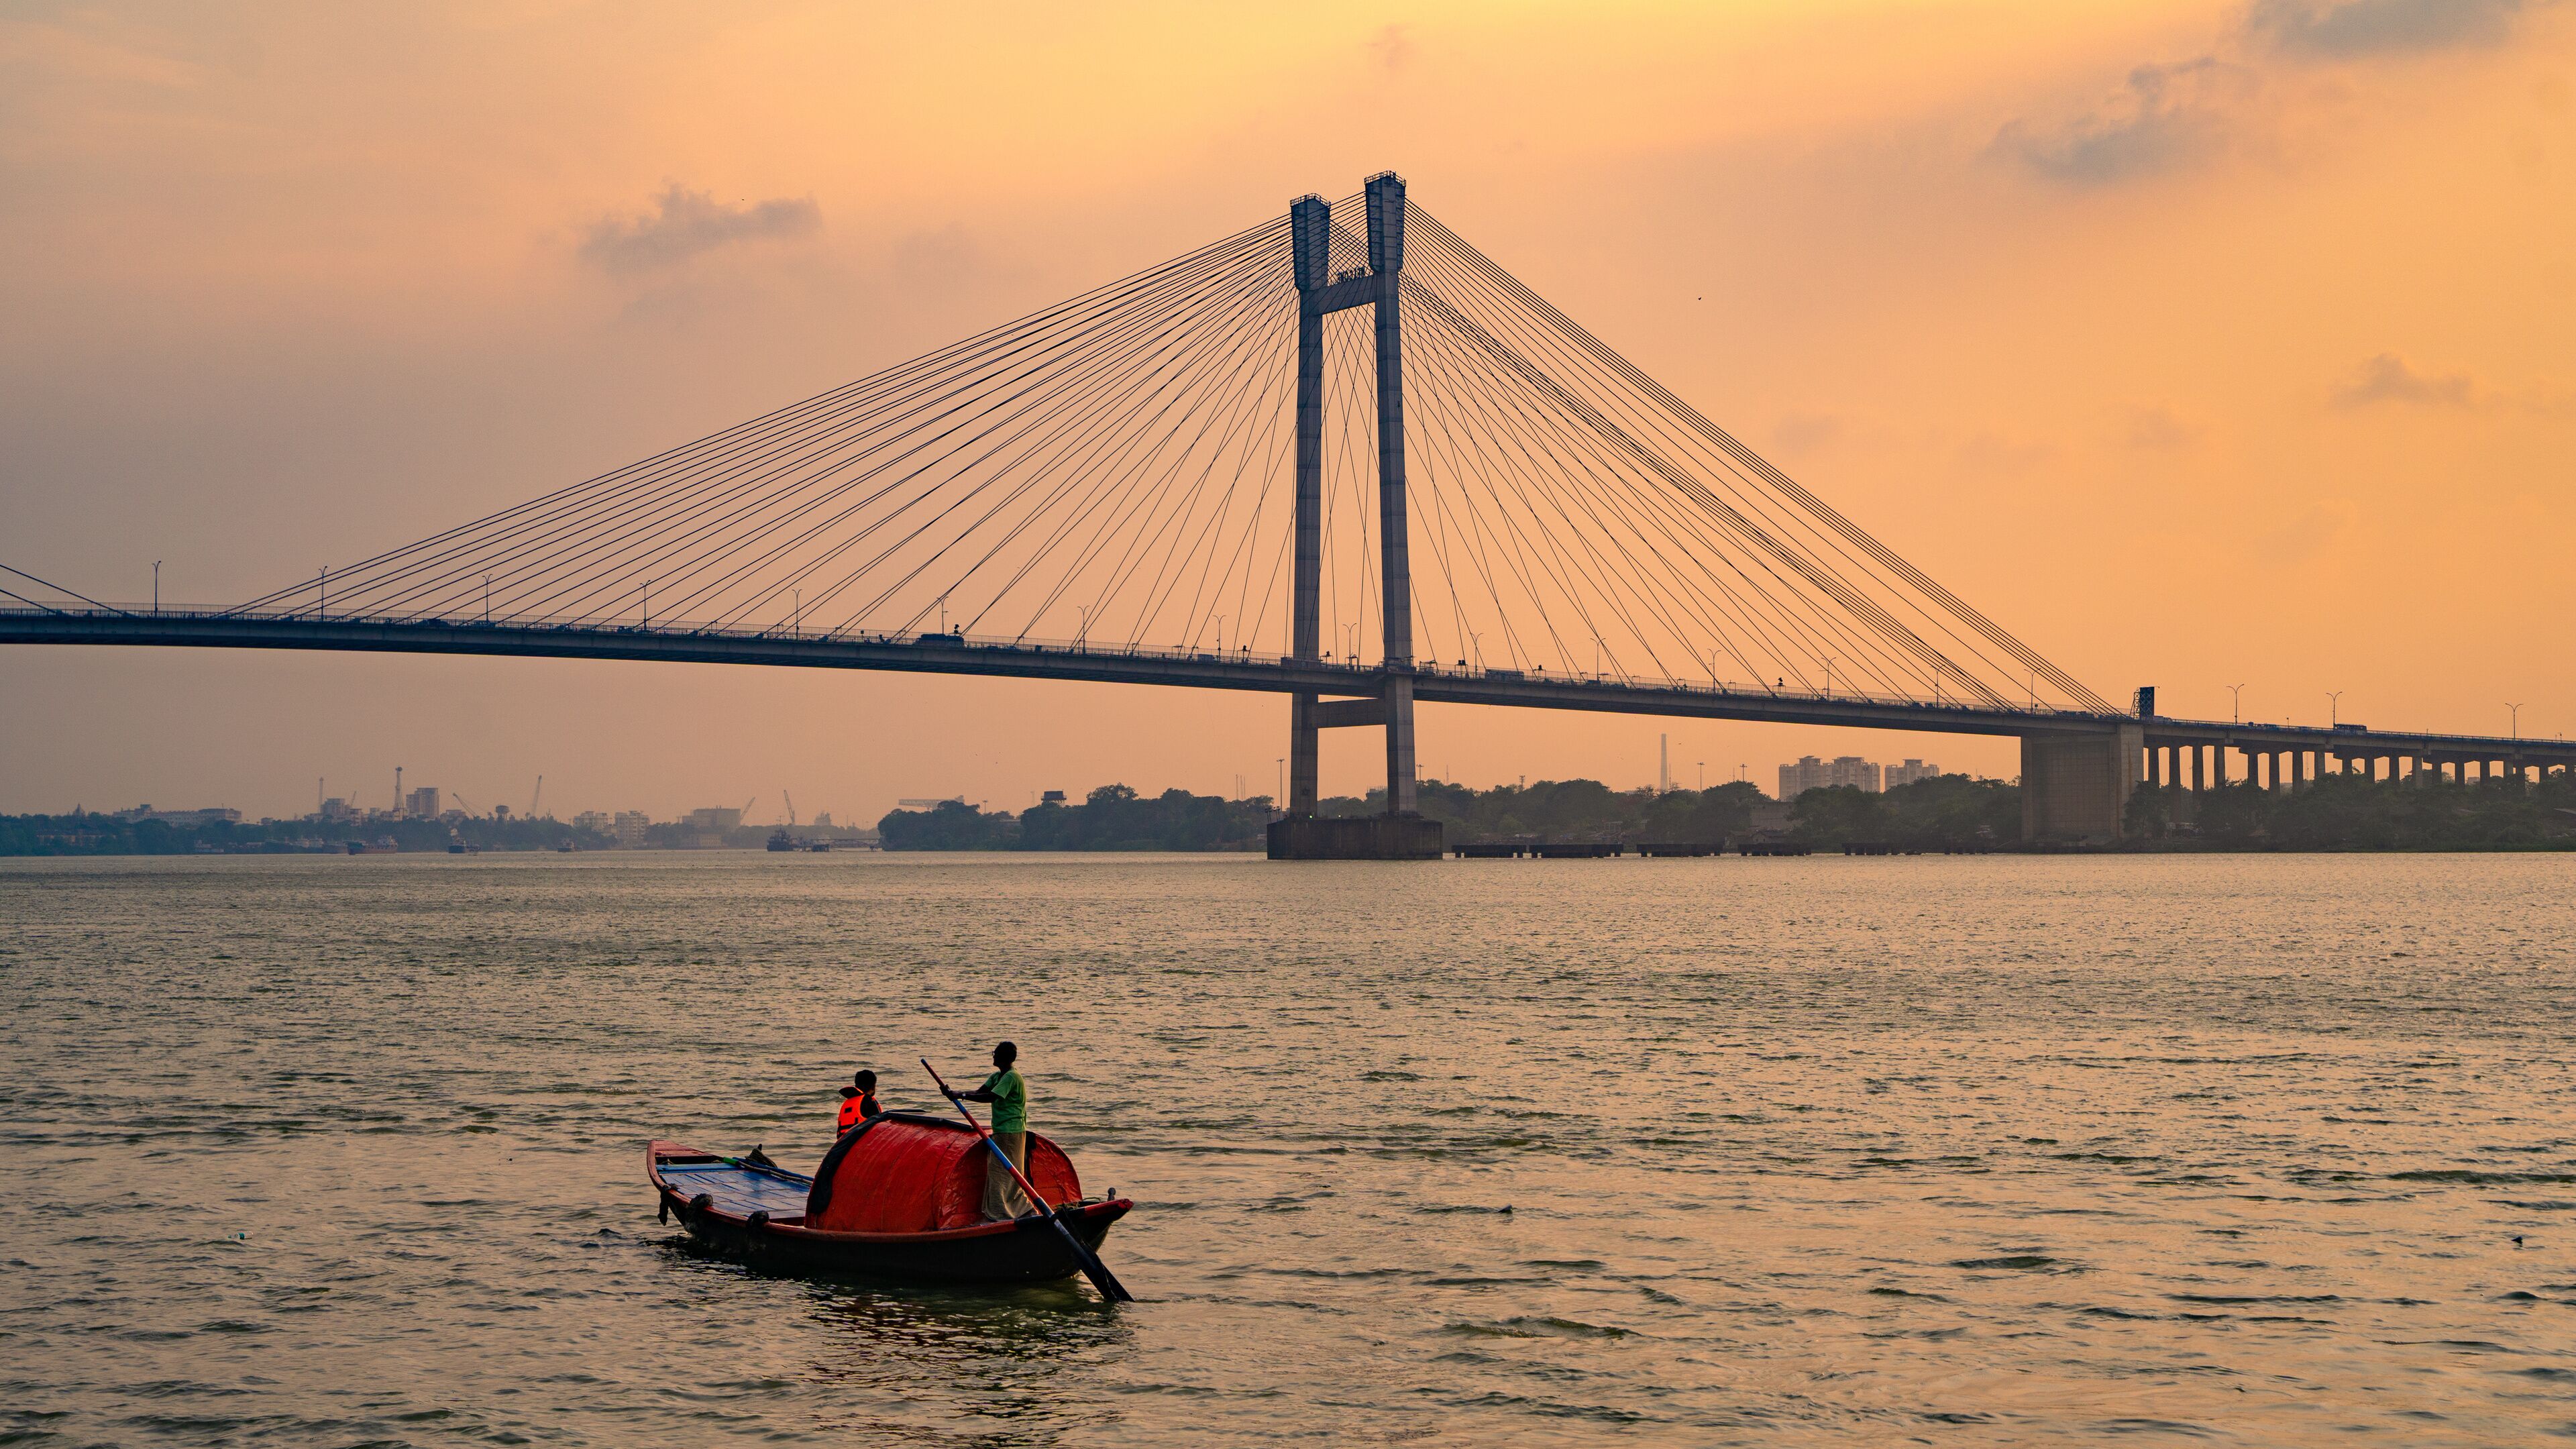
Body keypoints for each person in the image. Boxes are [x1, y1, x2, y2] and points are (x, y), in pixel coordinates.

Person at [945, 1041, 1030, 1220]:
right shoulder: (997, 1077)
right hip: (1001, 1129)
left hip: (1011, 1131)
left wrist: (961, 1095)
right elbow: (980, 1092)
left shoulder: (1011, 1077)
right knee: (997, 1171)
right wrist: (955, 1093)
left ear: (1006, 1058)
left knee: (1003, 1172)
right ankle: (1004, 1211)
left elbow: (991, 1097)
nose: (993, 1056)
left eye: (996, 1053)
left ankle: (1006, 1213)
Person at [835, 1069, 881, 1133]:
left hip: (843, 1141)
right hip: (861, 1140)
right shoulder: (868, 1100)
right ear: (873, 1087)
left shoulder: (847, 1102)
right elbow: (879, 1125)